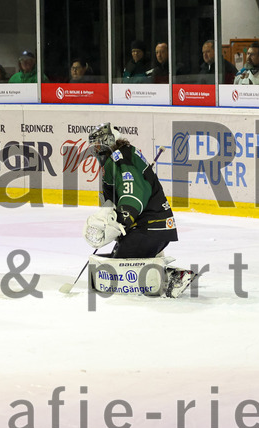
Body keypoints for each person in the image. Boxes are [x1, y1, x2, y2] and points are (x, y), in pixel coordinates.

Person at [82, 123, 195, 298]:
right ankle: (164, 271)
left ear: (108, 140)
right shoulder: (121, 158)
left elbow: (133, 192)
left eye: (97, 144)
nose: (95, 149)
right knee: (118, 258)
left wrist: (124, 217)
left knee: (117, 271)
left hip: (150, 229)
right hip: (153, 228)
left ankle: (171, 277)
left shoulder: (121, 159)